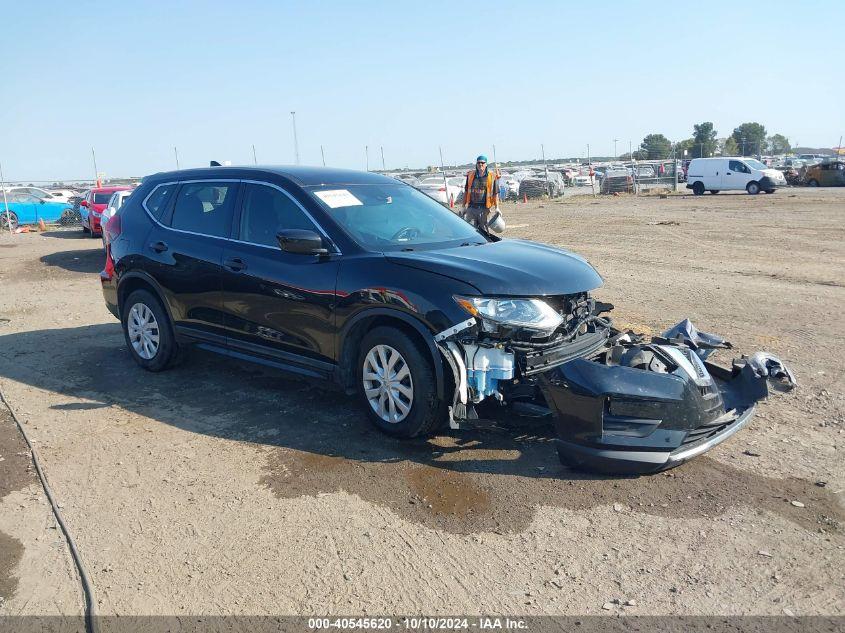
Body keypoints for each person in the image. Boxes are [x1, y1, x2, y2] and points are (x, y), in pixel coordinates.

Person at [462, 155, 499, 231]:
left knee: (484, 231)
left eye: (482, 163)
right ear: (476, 164)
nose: (480, 164)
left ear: (486, 164)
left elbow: (495, 194)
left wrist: (497, 207)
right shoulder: (471, 175)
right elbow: (466, 191)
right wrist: (463, 206)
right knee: (471, 230)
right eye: (478, 163)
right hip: (471, 208)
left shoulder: (492, 176)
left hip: (484, 209)